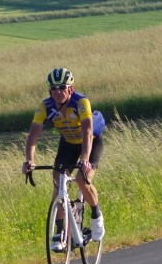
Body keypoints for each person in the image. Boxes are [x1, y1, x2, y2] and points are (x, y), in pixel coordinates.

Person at [22, 67, 106, 252]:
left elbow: (88, 131)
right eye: (54, 88)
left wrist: (84, 159)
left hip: (90, 142)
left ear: (71, 89)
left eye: (62, 87)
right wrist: (29, 160)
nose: (58, 91)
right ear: (49, 91)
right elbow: (33, 136)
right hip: (68, 144)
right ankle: (60, 233)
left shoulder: (81, 102)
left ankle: (96, 214)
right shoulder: (45, 107)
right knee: (58, 181)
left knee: (82, 179)